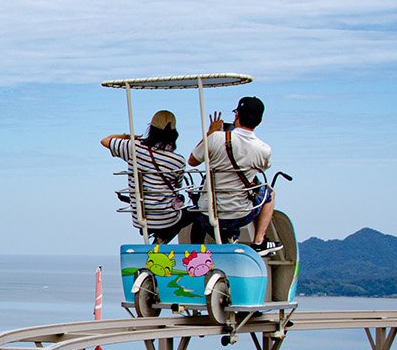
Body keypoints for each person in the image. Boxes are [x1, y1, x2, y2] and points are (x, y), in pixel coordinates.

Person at [188, 95, 278, 251]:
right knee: (269, 192)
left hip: (207, 213)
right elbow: (262, 168)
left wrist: (210, 132)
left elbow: (192, 161)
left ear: (237, 115)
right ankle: (259, 241)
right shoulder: (263, 149)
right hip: (239, 215)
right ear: (260, 121)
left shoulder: (215, 138)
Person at [101, 110, 192, 243]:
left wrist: (129, 137)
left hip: (141, 216)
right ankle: (167, 239)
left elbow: (105, 141)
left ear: (151, 130)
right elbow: (177, 186)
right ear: (174, 134)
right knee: (196, 214)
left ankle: (160, 238)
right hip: (167, 218)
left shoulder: (134, 148)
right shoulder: (178, 161)